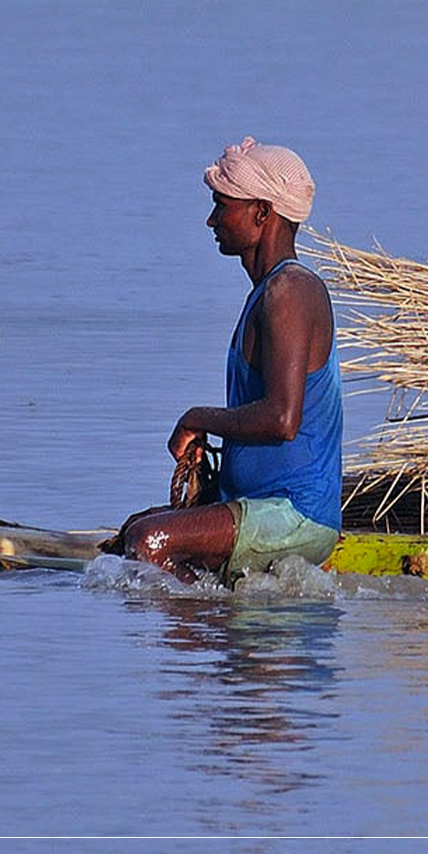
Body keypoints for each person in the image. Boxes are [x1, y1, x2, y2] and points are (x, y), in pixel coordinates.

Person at [114, 137, 344, 583]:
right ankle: (221, 625)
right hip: (259, 505)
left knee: (148, 542)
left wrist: (196, 418)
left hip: (295, 513)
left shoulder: (290, 292)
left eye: (222, 205)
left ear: (262, 213)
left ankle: (216, 634)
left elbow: (282, 420)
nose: (211, 219)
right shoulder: (267, 293)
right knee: (136, 528)